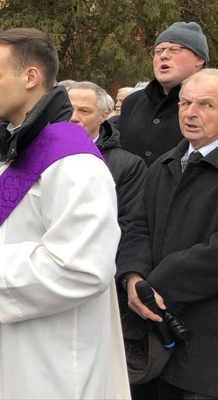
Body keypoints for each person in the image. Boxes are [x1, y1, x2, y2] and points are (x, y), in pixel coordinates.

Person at [0, 28, 129, 399]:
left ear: (30, 77)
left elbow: (85, 267)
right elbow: (11, 228)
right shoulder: (11, 150)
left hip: (52, 355)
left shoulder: (74, 161)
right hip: (8, 335)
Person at [116, 69, 218, 399]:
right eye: (185, 102)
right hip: (153, 346)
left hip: (206, 355)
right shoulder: (163, 165)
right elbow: (138, 226)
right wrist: (133, 277)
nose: (190, 112)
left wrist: (157, 283)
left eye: (207, 105)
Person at [118, 22, 208, 166]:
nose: (164, 56)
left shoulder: (213, 103)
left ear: (199, 59)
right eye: (159, 51)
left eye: (174, 49)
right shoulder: (132, 102)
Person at [68, 81, 147, 237]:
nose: (73, 117)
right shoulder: (39, 155)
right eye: (68, 109)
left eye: (84, 111)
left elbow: (129, 224)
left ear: (103, 115)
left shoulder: (128, 166)